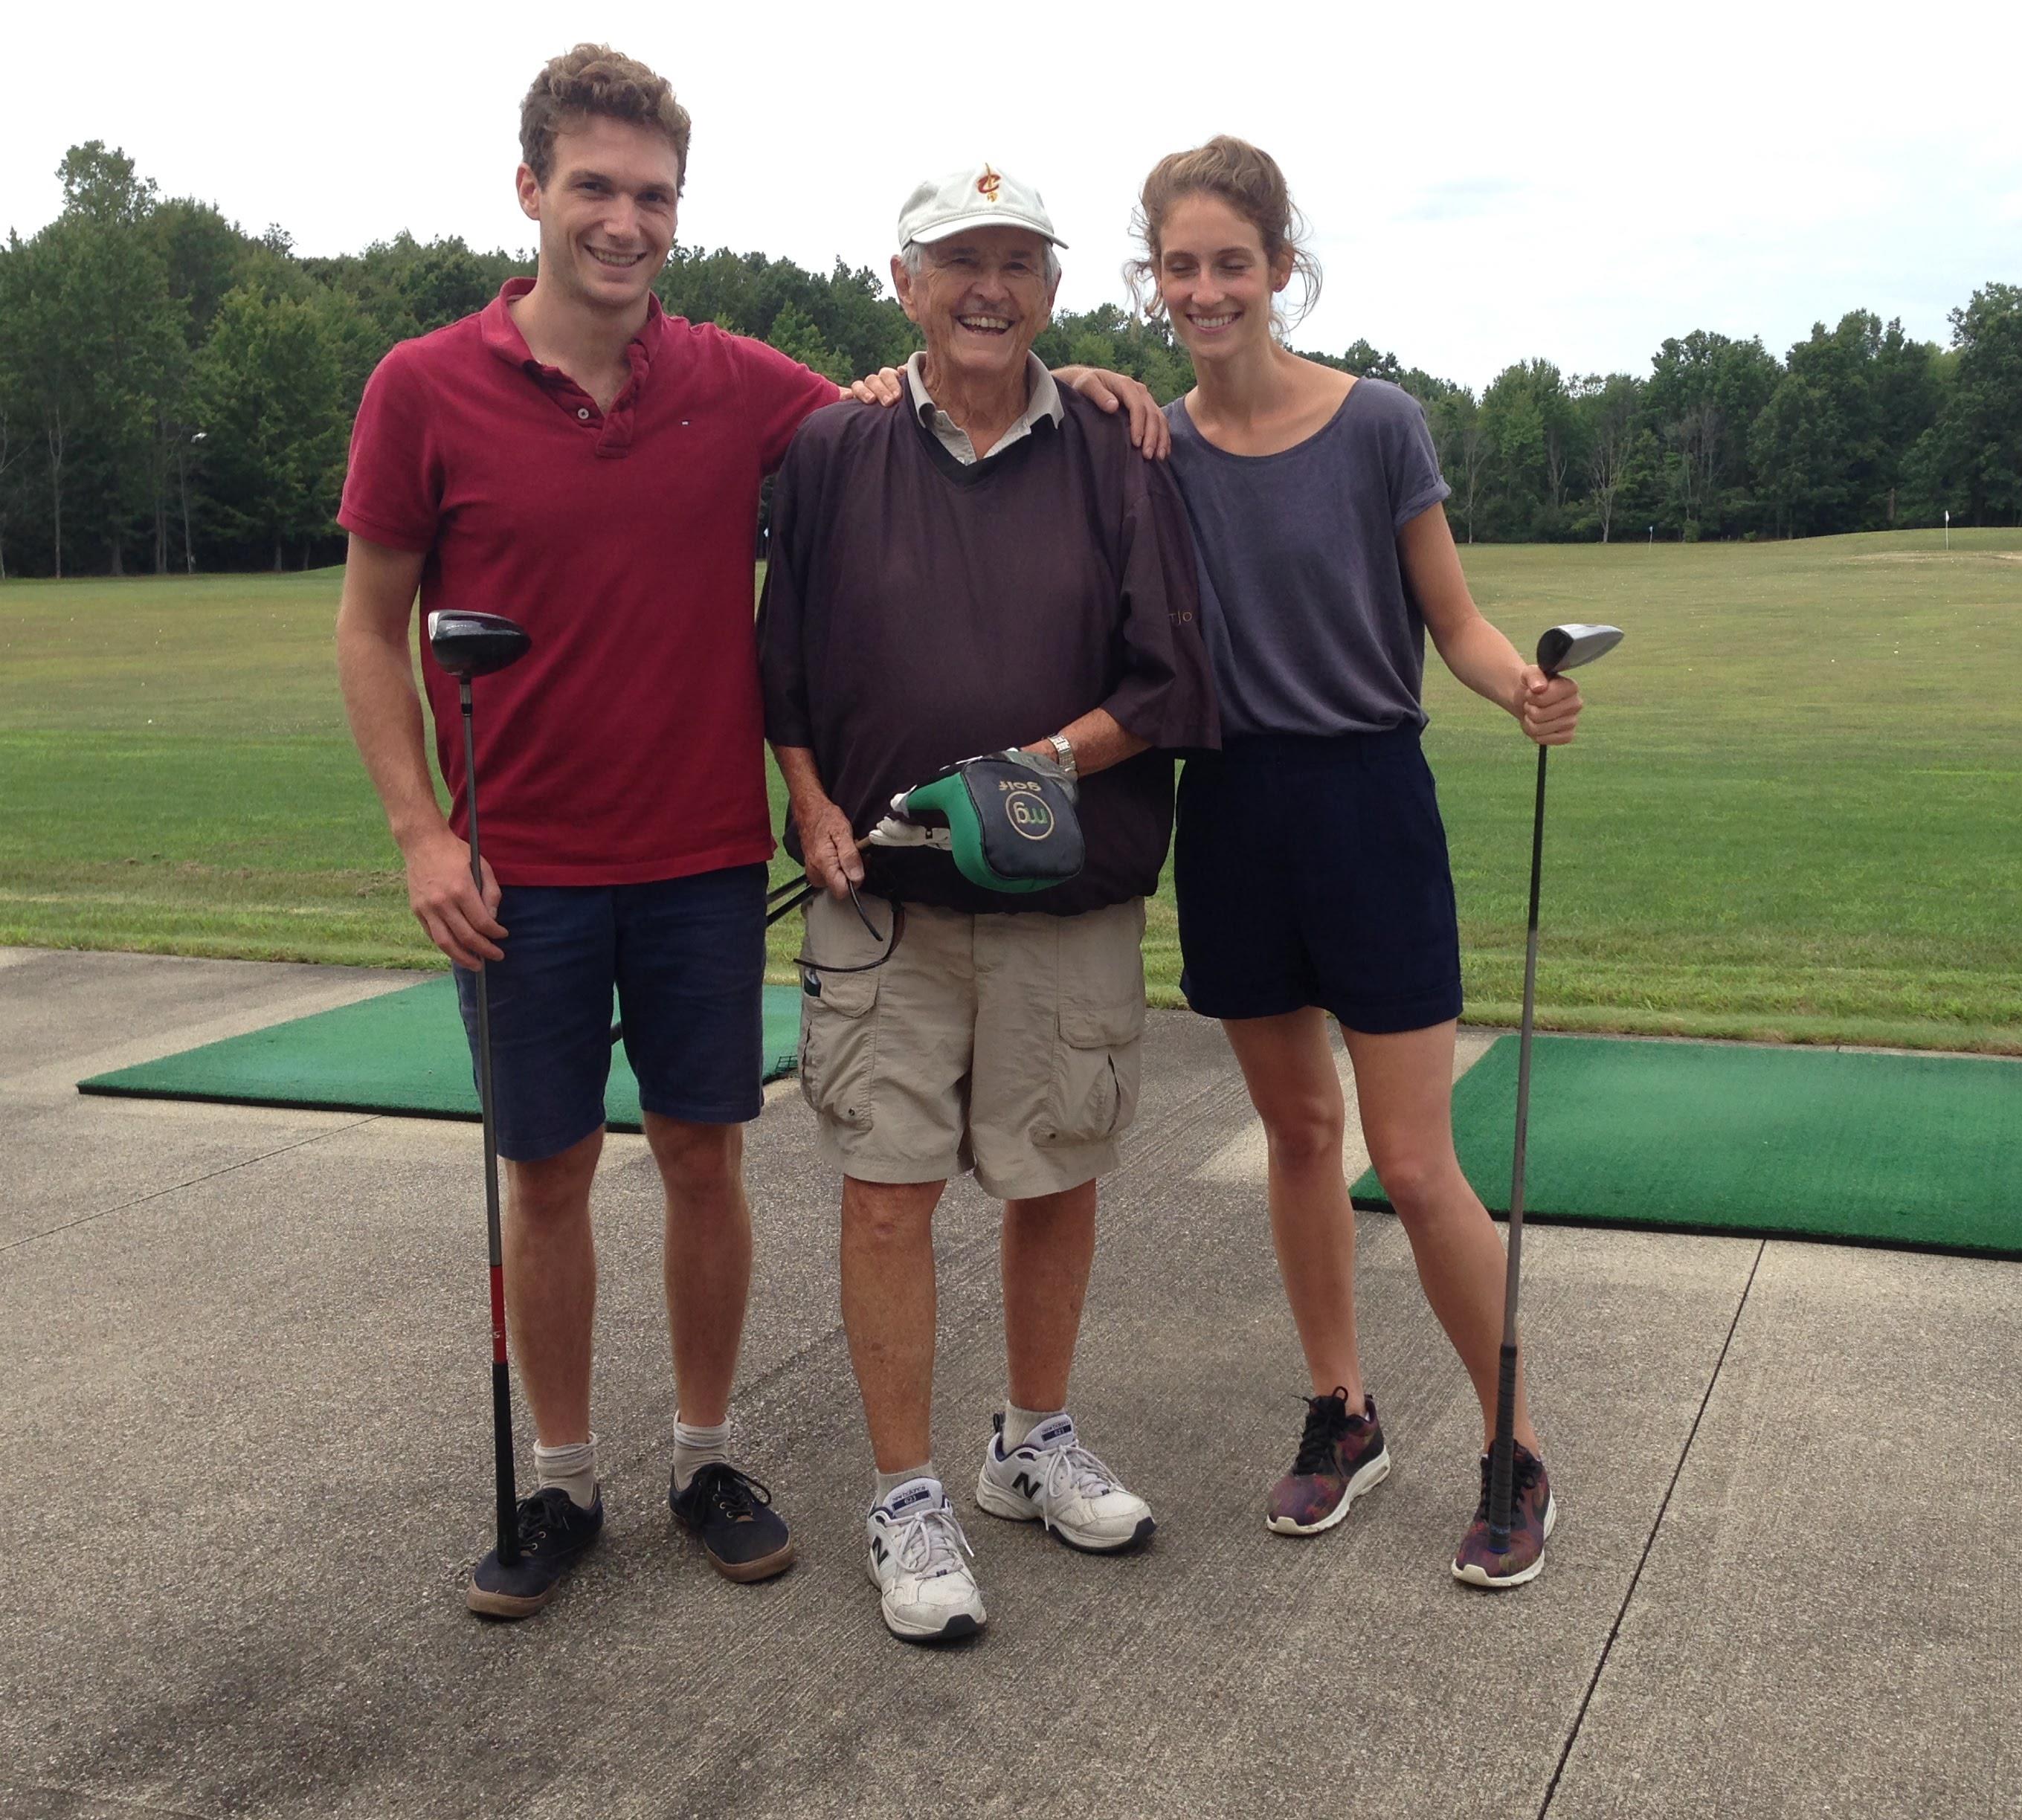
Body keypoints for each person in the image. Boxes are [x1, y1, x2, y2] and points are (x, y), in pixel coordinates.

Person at [334, 48, 1165, 1621]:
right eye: (595, 187)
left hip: (707, 854)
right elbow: (372, 628)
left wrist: (1113, 387)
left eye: (653, 194)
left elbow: (916, 399)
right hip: (518, 867)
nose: (625, 220)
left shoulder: (741, 385)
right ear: (533, 192)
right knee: (552, 1168)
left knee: (706, 1158)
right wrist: (419, 834)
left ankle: (705, 1454)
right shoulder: (422, 384)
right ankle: (566, 1478)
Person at [758, 164, 1218, 1643]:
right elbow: (782, 673)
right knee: (887, 1193)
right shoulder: (833, 448)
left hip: (1065, 895)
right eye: (959, 260)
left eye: (1019, 261)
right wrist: (817, 806)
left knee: (1054, 1178)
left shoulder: (1115, 445)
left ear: (1055, 290)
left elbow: (1171, 681)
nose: (989, 287)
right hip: (882, 902)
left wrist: (1028, 768)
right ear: (904, 283)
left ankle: (1028, 1444)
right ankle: (905, 1495)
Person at [1131, 137, 1591, 1589]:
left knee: (1413, 1156)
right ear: (1156, 280)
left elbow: (1449, 616)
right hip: (1235, 813)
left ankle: (1513, 1449)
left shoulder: (1378, 422)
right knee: (1301, 1141)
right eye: (1181, 265)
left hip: (1370, 806)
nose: (1208, 289)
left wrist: (1518, 681)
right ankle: (1343, 1410)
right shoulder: (1154, 443)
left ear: (1280, 266)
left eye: (1231, 261)